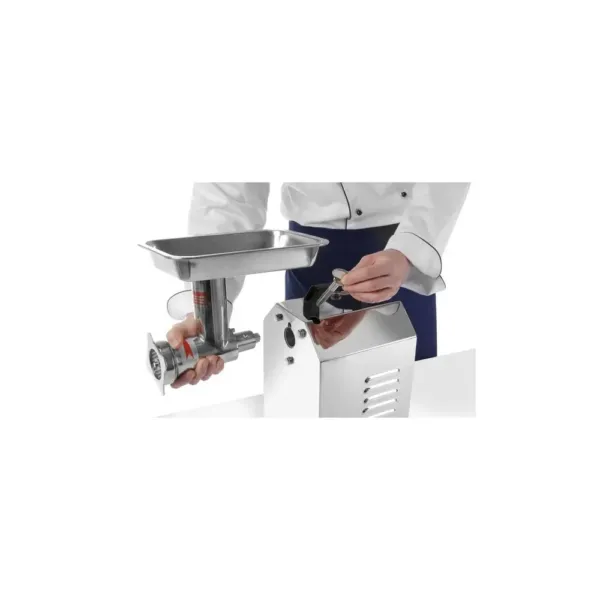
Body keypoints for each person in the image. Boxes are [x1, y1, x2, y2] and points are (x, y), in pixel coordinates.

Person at [166, 182, 469, 387]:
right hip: (311, 253)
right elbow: (227, 197)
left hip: (400, 252)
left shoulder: (406, 253)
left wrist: (408, 251)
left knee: (412, 395)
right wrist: (205, 312)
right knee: (307, 397)